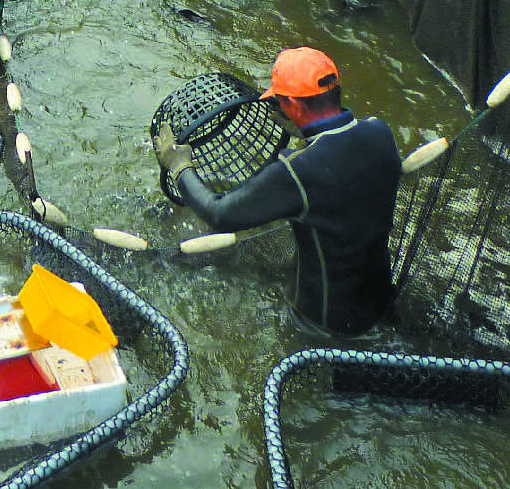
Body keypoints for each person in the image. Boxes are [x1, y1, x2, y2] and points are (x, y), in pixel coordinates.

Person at [152, 47, 401, 336]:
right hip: (378, 303)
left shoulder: (297, 171)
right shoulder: (380, 132)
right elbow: (343, 172)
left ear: (294, 104)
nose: (277, 109)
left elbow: (219, 213)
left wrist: (179, 166)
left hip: (321, 323)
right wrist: (305, 132)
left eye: (279, 102)